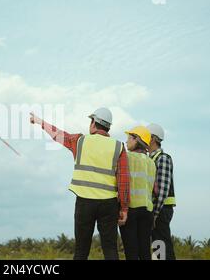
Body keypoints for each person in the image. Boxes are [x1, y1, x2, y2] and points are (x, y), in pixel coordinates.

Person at [30, 108, 130, 260]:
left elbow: (58, 135)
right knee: (110, 249)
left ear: (93, 123)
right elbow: (124, 180)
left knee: (81, 250)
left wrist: (39, 122)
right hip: (109, 204)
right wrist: (124, 208)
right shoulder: (118, 146)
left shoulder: (80, 141)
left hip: (85, 202)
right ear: (108, 127)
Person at [119, 126, 157, 260]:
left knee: (131, 252)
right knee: (145, 252)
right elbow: (154, 189)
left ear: (137, 140)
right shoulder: (151, 162)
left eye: (129, 138)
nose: (126, 141)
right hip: (147, 212)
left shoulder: (127, 157)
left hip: (130, 210)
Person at [147, 123, 176, 260]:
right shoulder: (151, 158)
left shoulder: (162, 158)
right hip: (157, 209)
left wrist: (155, 214)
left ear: (152, 138)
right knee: (158, 247)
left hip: (162, 209)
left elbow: (163, 190)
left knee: (162, 245)